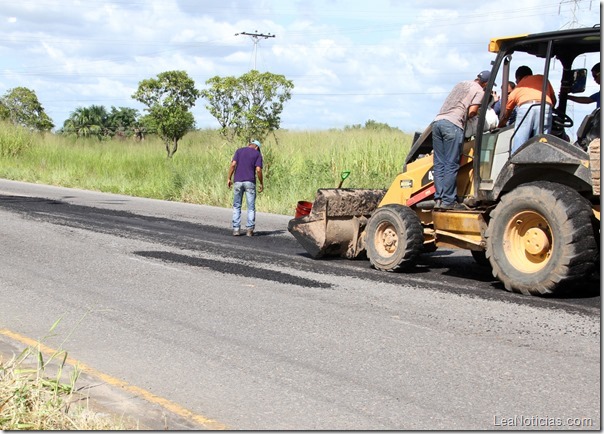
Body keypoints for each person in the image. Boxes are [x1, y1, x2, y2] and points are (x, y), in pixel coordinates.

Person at [431, 70, 489, 210]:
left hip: (438, 122)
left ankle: (438, 198)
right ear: (486, 83)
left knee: (439, 164)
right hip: (453, 125)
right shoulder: (479, 91)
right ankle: (448, 201)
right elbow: (472, 111)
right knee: (451, 163)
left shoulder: (461, 84)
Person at [498, 65, 557, 153]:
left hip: (526, 107)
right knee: (542, 141)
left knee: (520, 140)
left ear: (518, 78)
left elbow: (507, 113)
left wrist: (500, 125)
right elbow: (554, 100)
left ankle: (515, 161)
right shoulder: (542, 79)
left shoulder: (518, 88)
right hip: (546, 107)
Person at [227, 139, 264, 237]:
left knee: (237, 205)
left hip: (238, 181)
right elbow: (258, 170)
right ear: (257, 147)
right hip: (250, 182)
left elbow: (233, 164)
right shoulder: (257, 154)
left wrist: (229, 178)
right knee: (251, 207)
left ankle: (236, 229)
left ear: (249, 145)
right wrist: (261, 183)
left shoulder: (239, 151)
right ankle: (249, 230)